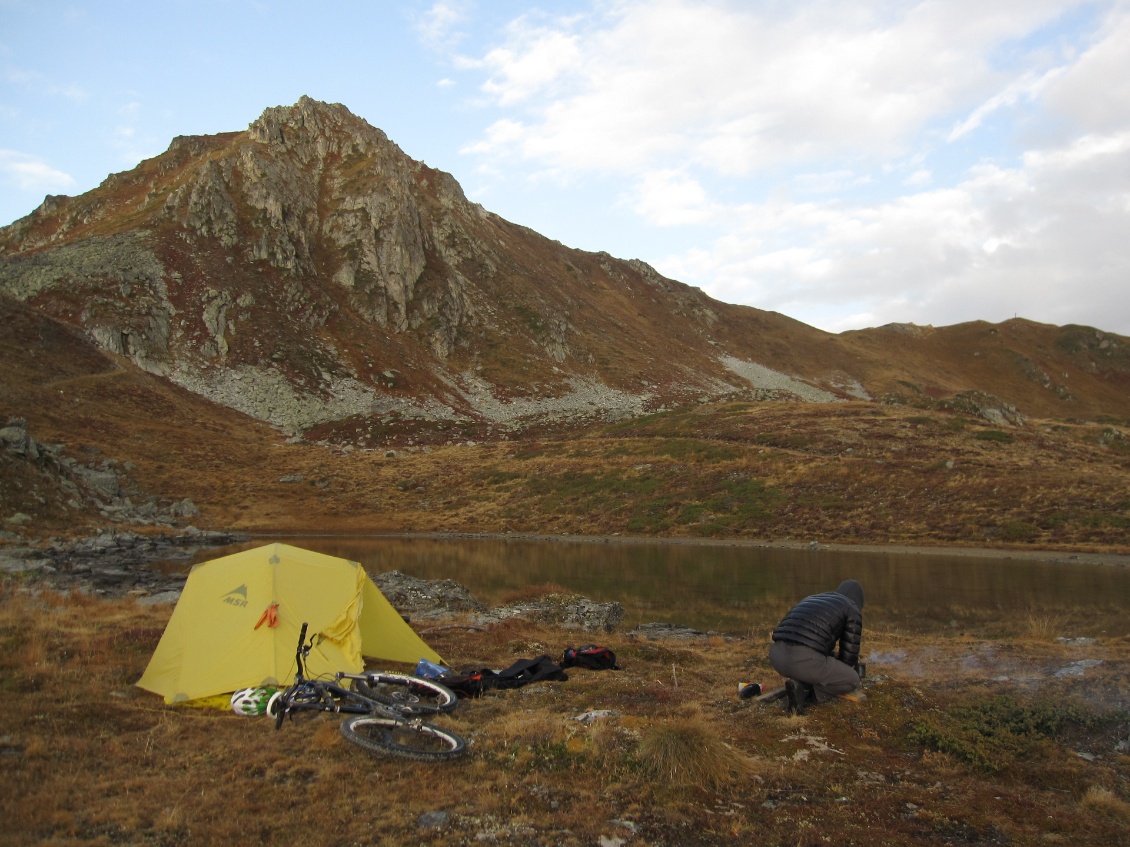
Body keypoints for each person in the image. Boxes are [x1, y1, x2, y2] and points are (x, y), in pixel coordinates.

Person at [769, 579, 864, 714]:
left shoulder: (813, 598)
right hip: (803, 661)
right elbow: (849, 657)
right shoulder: (852, 608)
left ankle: (800, 681)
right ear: (858, 599)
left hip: (777, 656)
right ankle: (807, 693)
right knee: (852, 679)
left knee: (815, 664)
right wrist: (842, 669)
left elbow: (813, 638)